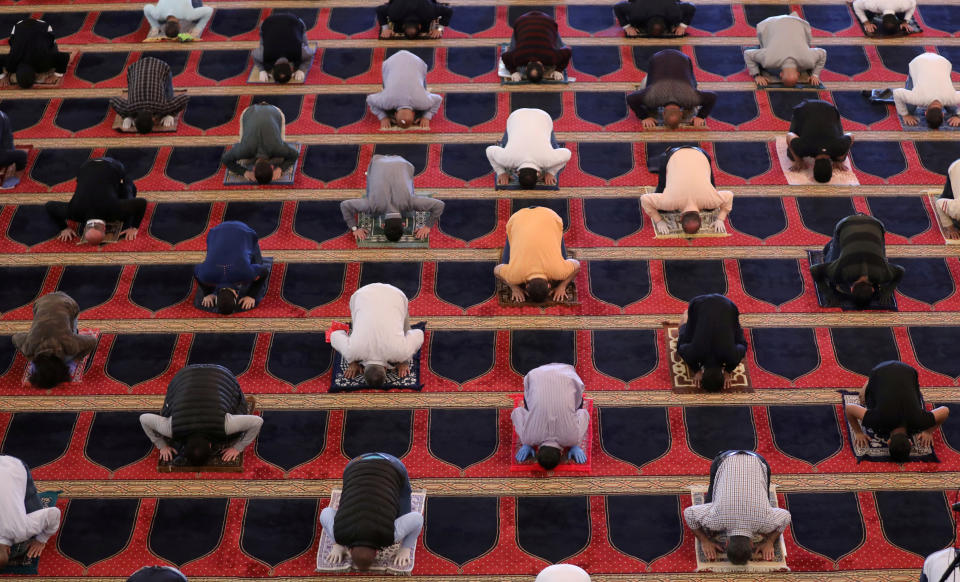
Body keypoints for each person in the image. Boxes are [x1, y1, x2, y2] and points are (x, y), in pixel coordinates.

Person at [139, 364, 263, 465]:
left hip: (222, 375)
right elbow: (144, 419)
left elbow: (257, 421)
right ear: (210, 445)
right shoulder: (171, 428)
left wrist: (238, 447)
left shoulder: (226, 425)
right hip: (184, 375)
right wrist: (162, 445)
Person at [684, 450, 791, 565]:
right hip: (725, 459)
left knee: (764, 504)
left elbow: (786, 516)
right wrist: (704, 541)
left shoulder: (766, 523)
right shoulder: (714, 520)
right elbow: (688, 513)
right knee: (710, 503)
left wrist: (770, 541)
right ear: (727, 543)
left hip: (759, 460)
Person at [321, 453, 422, 571]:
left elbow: (417, 519)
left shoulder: (390, 535)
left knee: (404, 510)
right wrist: (337, 543)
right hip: (354, 465)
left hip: (393, 465)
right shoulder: (339, 533)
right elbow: (325, 513)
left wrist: (405, 548)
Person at [844, 361, 949, 463]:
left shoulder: (920, 421)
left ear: (910, 442)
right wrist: (858, 432)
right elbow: (849, 408)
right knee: (863, 400)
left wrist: (928, 431)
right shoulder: (878, 420)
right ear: (888, 442)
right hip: (879, 372)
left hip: (909, 371)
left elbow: (945, 410)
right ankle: (870, 382)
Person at [330, 283, 425, 388]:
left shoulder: (400, 354)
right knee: (359, 322)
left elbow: (419, 334)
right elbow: (334, 335)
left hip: (394, 296)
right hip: (364, 295)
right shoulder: (351, 352)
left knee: (406, 332)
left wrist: (404, 359)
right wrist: (351, 360)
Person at [340, 155, 445, 243]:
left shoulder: (410, 202)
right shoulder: (371, 205)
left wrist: (427, 227)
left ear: (403, 224)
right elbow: (344, 205)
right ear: (383, 224)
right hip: (377, 162)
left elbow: (440, 205)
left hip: (402, 162)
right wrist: (355, 229)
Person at [809, 214, 905, 308]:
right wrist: (828, 294)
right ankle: (831, 245)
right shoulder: (841, 272)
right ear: (851, 289)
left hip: (876, 225)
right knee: (830, 260)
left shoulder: (882, 274)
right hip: (845, 225)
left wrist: (888, 290)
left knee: (881, 257)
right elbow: (814, 269)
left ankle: (840, 245)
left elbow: (900, 271)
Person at [45, 157, 145, 244]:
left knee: (127, 203)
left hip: (113, 165)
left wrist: (134, 228)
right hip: (85, 167)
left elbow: (142, 202)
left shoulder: (114, 210)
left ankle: (126, 182)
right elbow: (49, 205)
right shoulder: (74, 212)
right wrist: (64, 228)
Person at [12, 292, 98, 389]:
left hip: (68, 304)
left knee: (69, 356)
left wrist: (75, 361)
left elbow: (92, 341)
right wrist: (31, 358)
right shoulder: (29, 346)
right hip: (40, 303)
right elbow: (15, 337)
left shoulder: (69, 344)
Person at [640, 146, 733, 235]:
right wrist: (659, 221)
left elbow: (729, 195)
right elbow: (644, 199)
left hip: (702, 154)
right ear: (680, 218)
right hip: (672, 155)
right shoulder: (669, 202)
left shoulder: (711, 201)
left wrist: (721, 218)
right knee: (661, 209)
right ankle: (662, 156)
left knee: (711, 207)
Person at [494, 207, 580, 303]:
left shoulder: (559, 271)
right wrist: (514, 287)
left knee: (563, 263)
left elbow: (577, 265)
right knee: (506, 265)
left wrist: (562, 286)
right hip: (517, 219)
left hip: (549, 216)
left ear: (548, 285)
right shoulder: (514, 276)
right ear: (549, 286)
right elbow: (496, 270)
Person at [511, 363, 589, 470]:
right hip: (535, 375)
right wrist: (527, 442)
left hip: (569, 375)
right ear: (538, 451)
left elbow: (583, 413)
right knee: (532, 405)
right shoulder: (527, 437)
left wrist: (574, 443)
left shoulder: (573, 438)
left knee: (575, 407)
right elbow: (517, 412)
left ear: (561, 454)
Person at [626, 49, 716, 129]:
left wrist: (701, 116)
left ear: (663, 113)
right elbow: (630, 98)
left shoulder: (690, 98)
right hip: (671, 58)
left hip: (673, 58)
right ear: (681, 113)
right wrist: (644, 117)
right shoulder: (652, 98)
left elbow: (713, 96)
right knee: (649, 102)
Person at [194, 221, 269, 315]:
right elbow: (196, 270)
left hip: (245, 232)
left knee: (257, 263)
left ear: (236, 295)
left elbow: (264, 272)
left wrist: (251, 296)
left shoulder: (245, 274)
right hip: (216, 231)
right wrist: (208, 293)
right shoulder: (206, 276)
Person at [677, 294, 747, 392]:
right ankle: (687, 314)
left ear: (722, 372)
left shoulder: (732, 356)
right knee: (681, 328)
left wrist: (728, 371)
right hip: (697, 304)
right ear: (703, 371)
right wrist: (696, 370)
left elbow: (743, 345)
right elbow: (680, 347)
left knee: (734, 331)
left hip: (728, 305)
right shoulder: (694, 354)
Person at [0, 456, 61, 570]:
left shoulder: (22, 530)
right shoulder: (21, 529)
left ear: (9, 550)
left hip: (14, 467)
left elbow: (54, 514)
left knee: (36, 518)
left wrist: (41, 539)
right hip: (6, 467)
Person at [486, 108, 571, 189]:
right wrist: (501, 172)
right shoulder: (506, 159)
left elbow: (567, 153)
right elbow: (489, 150)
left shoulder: (549, 160)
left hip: (540, 117)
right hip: (519, 116)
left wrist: (551, 172)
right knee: (506, 145)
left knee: (553, 148)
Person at [221, 103, 299, 185]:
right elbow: (225, 159)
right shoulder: (245, 149)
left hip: (273, 112)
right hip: (249, 112)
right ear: (272, 167)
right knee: (246, 161)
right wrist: (245, 172)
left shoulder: (276, 147)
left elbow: (226, 159)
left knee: (246, 161)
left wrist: (280, 169)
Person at [109, 56, 190, 134]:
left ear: (153, 119)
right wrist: (127, 115)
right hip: (134, 68)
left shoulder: (162, 107)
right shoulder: (129, 107)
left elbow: (185, 98)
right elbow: (112, 100)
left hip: (161, 67)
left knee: (169, 97)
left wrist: (170, 114)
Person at [744, 13, 826, 88]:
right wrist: (757, 75)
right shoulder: (767, 60)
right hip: (770, 23)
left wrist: (815, 75)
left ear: (781, 74)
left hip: (798, 22)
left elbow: (823, 53)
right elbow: (747, 54)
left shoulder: (809, 60)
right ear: (798, 74)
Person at [366, 50, 442, 130]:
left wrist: (383, 116)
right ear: (413, 113)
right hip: (403, 62)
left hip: (412, 62)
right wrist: (383, 117)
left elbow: (370, 99)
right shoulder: (387, 101)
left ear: (395, 114)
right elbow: (370, 99)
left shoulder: (422, 102)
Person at [785, 99, 853, 183]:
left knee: (839, 155)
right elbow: (789, 135)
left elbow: (851, 136)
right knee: (792, 155)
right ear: (813, 166)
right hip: (804, 109)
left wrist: (840, 159)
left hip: (830, 108)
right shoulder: (804, 147)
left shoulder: (839, 147)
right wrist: (798, 160)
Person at [500, 11, 571, 83]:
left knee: (559, 46)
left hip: (538, 21)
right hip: (531, 21)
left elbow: (568, 51)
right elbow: (505, 56)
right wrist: (559, 70)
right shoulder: (519, 56)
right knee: (514, 50)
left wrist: (513, 71)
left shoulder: (551, 57)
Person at [893, 53, 960, 128]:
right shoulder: (918, 98)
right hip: (919, 62)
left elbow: (897, 93)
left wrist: (958, 116)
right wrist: (905, 115)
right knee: (909, 109)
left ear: (943, 114)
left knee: (953, 108)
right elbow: (896, 93)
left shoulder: (951, 97)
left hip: (942, 62)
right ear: (925, 112)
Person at [0, 18, 70, 89]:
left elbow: (65, 56)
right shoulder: (11, 63)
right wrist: (2, 76)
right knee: (14, 44)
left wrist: (56, 75)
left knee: (52, 48)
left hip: (43, 26)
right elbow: (65, 56)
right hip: (19, 25)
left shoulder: (44, 62)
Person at [252, 12, 316, 84]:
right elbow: (254, 54)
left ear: (292, 69)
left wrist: (301, 69)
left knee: (305, 44)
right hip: (268, 22)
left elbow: (311, 54)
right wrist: (262, 70)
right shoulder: (265, 54)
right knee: (264, 43)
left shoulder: (298, 52)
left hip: (294, 21)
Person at [613, 0, 695, 37]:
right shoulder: (637, 14)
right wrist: (627, 27)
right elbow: (617, 7)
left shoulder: (674, 14)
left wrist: (682, 26)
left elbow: (691, 7)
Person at [376, 0, 452, 39]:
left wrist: (439, 29)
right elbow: (379, 10)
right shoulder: (394, 14)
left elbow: (449, 11)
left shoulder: (429, 13)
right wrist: (385, 28)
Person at [143, 0, 214, 39]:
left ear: (180, 26)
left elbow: (209, 10)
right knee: (159, 21)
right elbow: (146, 7)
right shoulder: (157, 15)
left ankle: (200, 7)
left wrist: (197, 29)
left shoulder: (188, 15)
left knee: (196, 20)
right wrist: (155, 27)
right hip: (164, 12)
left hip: (186, 9)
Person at [851, 0, 916, 35]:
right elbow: (855, 4)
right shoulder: (872, 5)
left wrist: (905, 21)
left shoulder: (903, 5)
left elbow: (914, 2)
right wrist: (866, 23)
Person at [935, 158, 960, 240]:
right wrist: (951, 228)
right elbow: (939, 204)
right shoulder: (957, 209)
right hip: (957, 167)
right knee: (946, 196)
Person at [0, 111, 27, 185]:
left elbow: (8, 138)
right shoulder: (3, 115)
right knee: (22, 155)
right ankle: (15, 179)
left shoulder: (3, 115)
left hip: (4, 150)